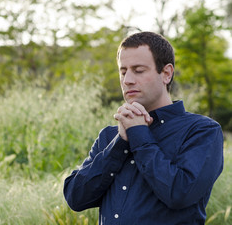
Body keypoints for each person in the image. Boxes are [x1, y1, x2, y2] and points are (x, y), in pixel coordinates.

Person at [63, 31, 224, 224]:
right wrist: (120, 143)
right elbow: (76, 198)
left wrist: (139, 135)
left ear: (166, 73)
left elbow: (180, 193)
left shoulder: (202, 131)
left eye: (138, 70)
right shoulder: (110, 136)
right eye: (123, 72)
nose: (127, 80)